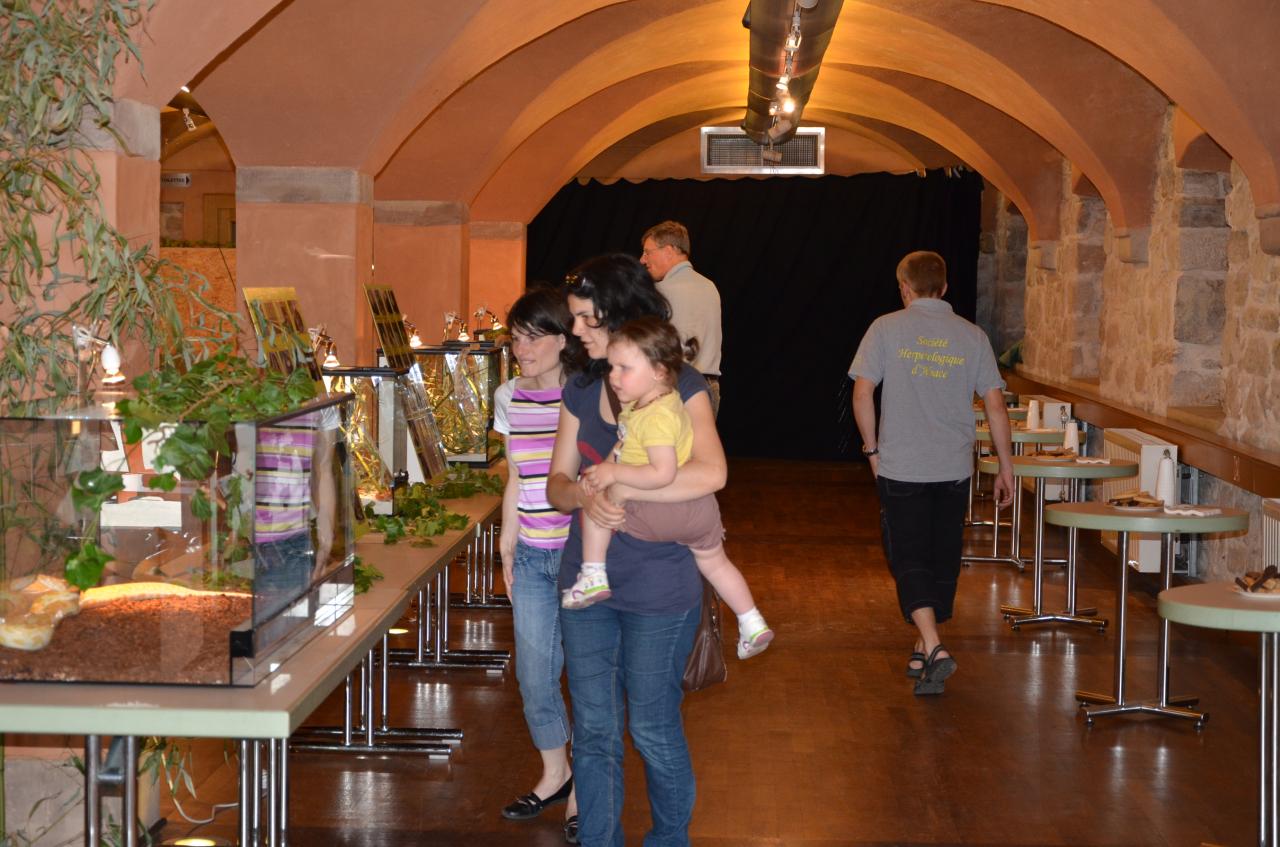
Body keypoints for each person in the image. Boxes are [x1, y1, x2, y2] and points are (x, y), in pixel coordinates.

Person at [547, 253, 726, 847]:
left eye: (586, 318)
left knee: (652, 727)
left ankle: (670, 839)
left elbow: (712, 473)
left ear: (618, 311)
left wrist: (620, 484)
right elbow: (556, 485)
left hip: (659, 588)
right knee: (595, 732)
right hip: (587, 582)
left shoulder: (681, 383)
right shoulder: (580, 387)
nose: (576, 330)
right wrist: (583, 494)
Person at [849, 250, 1014, 696]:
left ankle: (935, 647)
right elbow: (996, 406)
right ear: (944, 288)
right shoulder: (973, 336)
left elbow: (862, 394)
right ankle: (923, 649)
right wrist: (1006, 467)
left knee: (908, 557)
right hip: (953, 467)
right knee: (942, 557)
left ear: (904, 288)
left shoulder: (885, 328)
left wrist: (871, 450)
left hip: (901, 466)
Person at [561, 316, 773, 659]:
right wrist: (611, 461)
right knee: (715, 564)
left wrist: (613, 473)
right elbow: (627, 444)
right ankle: (751, 620)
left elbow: (661, 473)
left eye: (624, 368)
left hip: (659, 511)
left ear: (659, 371)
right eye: (612, 367)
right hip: (699, 510)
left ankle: (593, 573)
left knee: (598, 506)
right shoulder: (667, 401)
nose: (613, 376)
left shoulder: (654, 416)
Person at [493, 287, 581, 839]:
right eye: (515, 338)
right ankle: (556, 774)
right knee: (534, 673)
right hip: (530, 554)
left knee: (590, 675)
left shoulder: (587, 395)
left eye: (532, 337)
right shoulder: (508, 396)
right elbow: (516, 476)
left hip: (581, 555)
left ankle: (583, 793)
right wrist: (507, 543)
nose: (520, 348)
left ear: (562, 339)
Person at [639, 221, 723, 416]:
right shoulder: (709, 286)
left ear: (668, 251)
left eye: (647, 252)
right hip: (708, 389)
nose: (642, 260)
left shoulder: (661, 291)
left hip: (675, 389)